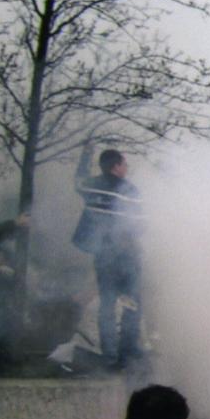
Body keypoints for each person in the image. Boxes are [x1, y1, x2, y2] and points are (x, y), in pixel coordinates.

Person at [73, 149, 143, 370]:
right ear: (116, 166)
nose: (127, 168)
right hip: (126, 256)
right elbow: (140, 224)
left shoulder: (91, 186)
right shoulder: (129, 191)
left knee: (107, 304)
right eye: (125, 164)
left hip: (103, 255)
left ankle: (109, 355)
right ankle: (128, 351)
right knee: (132, 303)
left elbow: (77, 181)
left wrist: (86, 154)